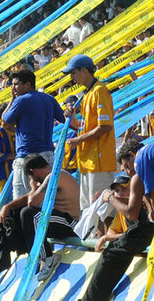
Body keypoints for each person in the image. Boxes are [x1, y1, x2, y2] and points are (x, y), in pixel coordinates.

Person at [0, 153, 80, 281]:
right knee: (16, 214)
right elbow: (28, 198)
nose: (32, 181)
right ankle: (29, 255)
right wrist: (8, 207)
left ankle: (47, 258)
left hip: (72, 224)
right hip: (60, 221)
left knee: (29, 214)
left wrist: (33, 187)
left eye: (31, 177)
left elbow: (32, 201)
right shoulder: (48, 178)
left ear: (33, 172)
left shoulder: (55, 176)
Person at [78, 165, 154, 301]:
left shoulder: (142, 204)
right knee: (109, 254)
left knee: (110, 256)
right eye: (116, 190)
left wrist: (111, 199)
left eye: (124, 189)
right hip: (136, 252)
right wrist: (107, 235)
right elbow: (118, 235)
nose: (120, 193)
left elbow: (132, 231)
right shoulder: (121, 211)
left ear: (134, 189)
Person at [63, 54, 117, 210]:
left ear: (84, 71)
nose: (72, 77)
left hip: (98, 162)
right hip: (87, 162)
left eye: (73, 73)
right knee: (88, 211)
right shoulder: (87, 94)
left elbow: (105, 126)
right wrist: (72, 119)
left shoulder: (99, 91)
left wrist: (78, 141)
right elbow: (84, 127)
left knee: (100, 211)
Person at [2, 68, 65, 198]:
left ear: (28, 84)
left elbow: (4, 122)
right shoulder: (49, 99)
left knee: (22, 198)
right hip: (47, 155)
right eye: (12, 84)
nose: (13, 88)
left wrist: (12, 99)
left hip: (27, 157)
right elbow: (64, 118)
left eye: (16, 84)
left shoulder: (21, 100)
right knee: (50, 197)